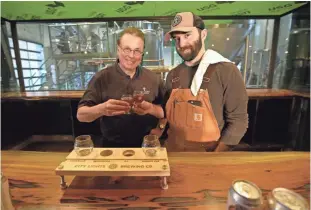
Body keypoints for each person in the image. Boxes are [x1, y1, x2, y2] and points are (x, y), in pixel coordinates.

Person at [160, 12, 249, 152]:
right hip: (172, 153)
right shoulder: (173, 75)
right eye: (176, 38)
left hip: (208, 156)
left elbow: (239, 122)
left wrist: (216, 156)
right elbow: (167, 116)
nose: (181, 44)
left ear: (203, 34)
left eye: (187, 35)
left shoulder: (226, 71)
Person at [77, 27, 165, 148]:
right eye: (127, 49)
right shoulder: (101, 77)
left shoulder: (154, 79)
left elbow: (165, 112)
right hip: (111, 146)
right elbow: (81, 115)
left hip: (147, 145)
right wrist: (102, 109)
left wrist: (157, 124)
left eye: (137, 51)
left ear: (142, 53)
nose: (131, 55)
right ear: (118, 50)